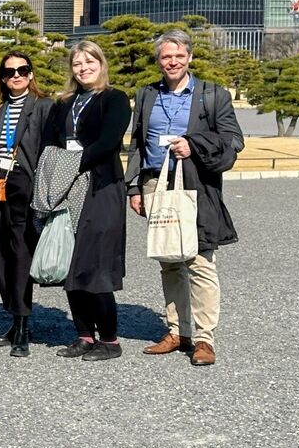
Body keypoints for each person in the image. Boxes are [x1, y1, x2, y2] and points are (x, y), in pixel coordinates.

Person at [125, 30, 243, 367]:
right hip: (154, 184)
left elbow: (233, 140)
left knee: (200, 261)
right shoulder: (146, 94)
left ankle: (204, 338)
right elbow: (138, 144)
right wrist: (134, 187)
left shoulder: (212, 95)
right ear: (158, 60)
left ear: (189, 57)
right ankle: (179, 331)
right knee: (169, 260)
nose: (172, 62)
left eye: (178, 56)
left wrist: (194, 145)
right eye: (165, 57)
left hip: (196, 184)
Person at [42, 40, 132, 362]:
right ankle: (83, 334)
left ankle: (109, 339)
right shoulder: (64, 102)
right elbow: (49, 142)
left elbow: (108, 143)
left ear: (101, 63)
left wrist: (71, 165)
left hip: (101, 186)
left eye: (89, 62)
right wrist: (60, 170)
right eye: (78, 64)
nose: (83, 69)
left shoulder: (115, 99)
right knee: (70, 260)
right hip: (67, 188)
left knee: (95, 262)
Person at [0, 52, 52, 357]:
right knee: (0, 252)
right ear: (2, 78)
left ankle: (22, 324)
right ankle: (14, 312)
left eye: (22, 70)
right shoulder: (0, 109)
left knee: (20, 256)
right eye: (9, 72)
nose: (16, 76)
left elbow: (48, 150)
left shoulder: (43, 106)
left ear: (30, 74)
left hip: (27, 187)